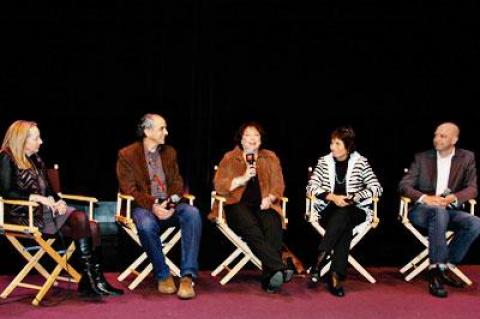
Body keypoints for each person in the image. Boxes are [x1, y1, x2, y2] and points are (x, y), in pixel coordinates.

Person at [0, 120, 123, 300]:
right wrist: (36, 198)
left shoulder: (37, 159)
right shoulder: (6, 157)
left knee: (92, 226)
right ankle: (88, 281)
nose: (41, 141)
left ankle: (96, 279)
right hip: (23, 215)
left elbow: (50, 191)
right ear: (22, 140)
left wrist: (59, 203)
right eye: (36, 138)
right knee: (82, 219)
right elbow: (5, 191)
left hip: (44, 214)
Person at [116, 113, 201, 300]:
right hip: (143, 207)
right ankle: (163, 274)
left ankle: (187, 276)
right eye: (162, 128)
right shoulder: (127, 155)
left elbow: (178, 184)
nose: (166, 132)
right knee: (146, 224)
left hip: (169, 204)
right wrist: (154, 205)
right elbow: (129, 190)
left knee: (193, 213)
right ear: (147, 131)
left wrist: (171, 203)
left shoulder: (170, 152)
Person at [209, 121, 294, 293]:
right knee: (251, 228)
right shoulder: (230, 157)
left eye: (256, 135)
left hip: (264, 205)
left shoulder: (270, 157)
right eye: (248, 135)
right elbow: (219, 185)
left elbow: (279, 185)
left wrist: (270, 198)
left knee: (273, 224)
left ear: (261, 139)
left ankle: (269, 278)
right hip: (235, 205)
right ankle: (279, 267)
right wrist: (242, 178)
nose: (252, 139)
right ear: (241, 140)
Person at [399, 122, 480, 298]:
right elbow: (404, 185)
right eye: (436, 135)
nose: (437, 139)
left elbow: (473, 188)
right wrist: (426, 198)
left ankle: (445, 266)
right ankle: (436, 272)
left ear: (454, 139)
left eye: (443, 136)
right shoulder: (422, 158)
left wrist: (453, 198)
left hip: (449, 209)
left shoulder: (467, 157)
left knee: (475, 223)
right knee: (438, 212)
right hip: (422, 211)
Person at [307, 126, 382, 297]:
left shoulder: (361, 162)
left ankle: (319, 259)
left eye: (337, 143)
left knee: (345, 213)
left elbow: (377, 188)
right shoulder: (323, 162)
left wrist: (355, 197)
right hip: (329, 209)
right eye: (332, 143)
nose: (332, 147)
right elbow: (310, 187)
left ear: (348, 146)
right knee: (343, 222)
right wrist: (332, 197)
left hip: (355, 209)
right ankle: (335, 275)